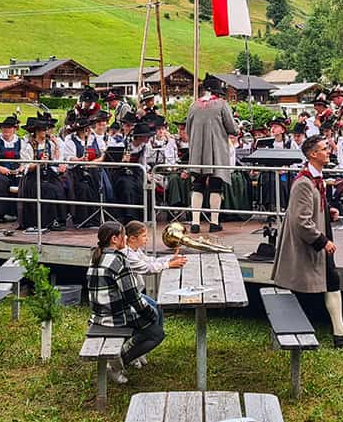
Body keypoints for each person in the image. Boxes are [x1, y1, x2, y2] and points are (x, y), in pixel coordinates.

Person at [273, 135, 343, 348]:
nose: (329, 151)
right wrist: (322, 241)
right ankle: (292, 333)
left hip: (316, 238)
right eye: (325, 149)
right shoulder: (303, 183)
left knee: (332, 280)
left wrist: (328, 213)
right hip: (304, 245)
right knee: (299, 287)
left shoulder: (317, 179)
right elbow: (301, 220)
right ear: (313, 154)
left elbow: (312, 209)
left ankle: (340, 332)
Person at [87, 221, 165, 385]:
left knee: (153, 311)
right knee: (157, 332)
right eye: (123, 235)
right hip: (115, 317)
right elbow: (132, 297)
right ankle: (119, 363)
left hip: (99, 315)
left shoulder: (96, 256)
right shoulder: (119, 261)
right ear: (115, 239)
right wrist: (150, 313)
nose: (126, 238)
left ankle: (131, 353)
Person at [120, 219, 186, 368]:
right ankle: (135, 348)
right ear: (132, 238)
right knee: (152, 314)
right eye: (144, 236)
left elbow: (149, 260)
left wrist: (169, 259)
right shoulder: (127, 254)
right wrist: (169, 265)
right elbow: (146, 268)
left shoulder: (135, 250)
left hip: (136, 293)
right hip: (129, 297)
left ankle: (142, 348)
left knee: (158, 309)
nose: (147, 239)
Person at [187, 76, 238, 233]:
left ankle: (195, 223)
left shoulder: (193, 106)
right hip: (216, 150)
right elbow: (232, 128)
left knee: (198, 185)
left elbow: (188, 129)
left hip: (197, 151)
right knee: (216, 185)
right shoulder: (222, 105)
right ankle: (214, 223)